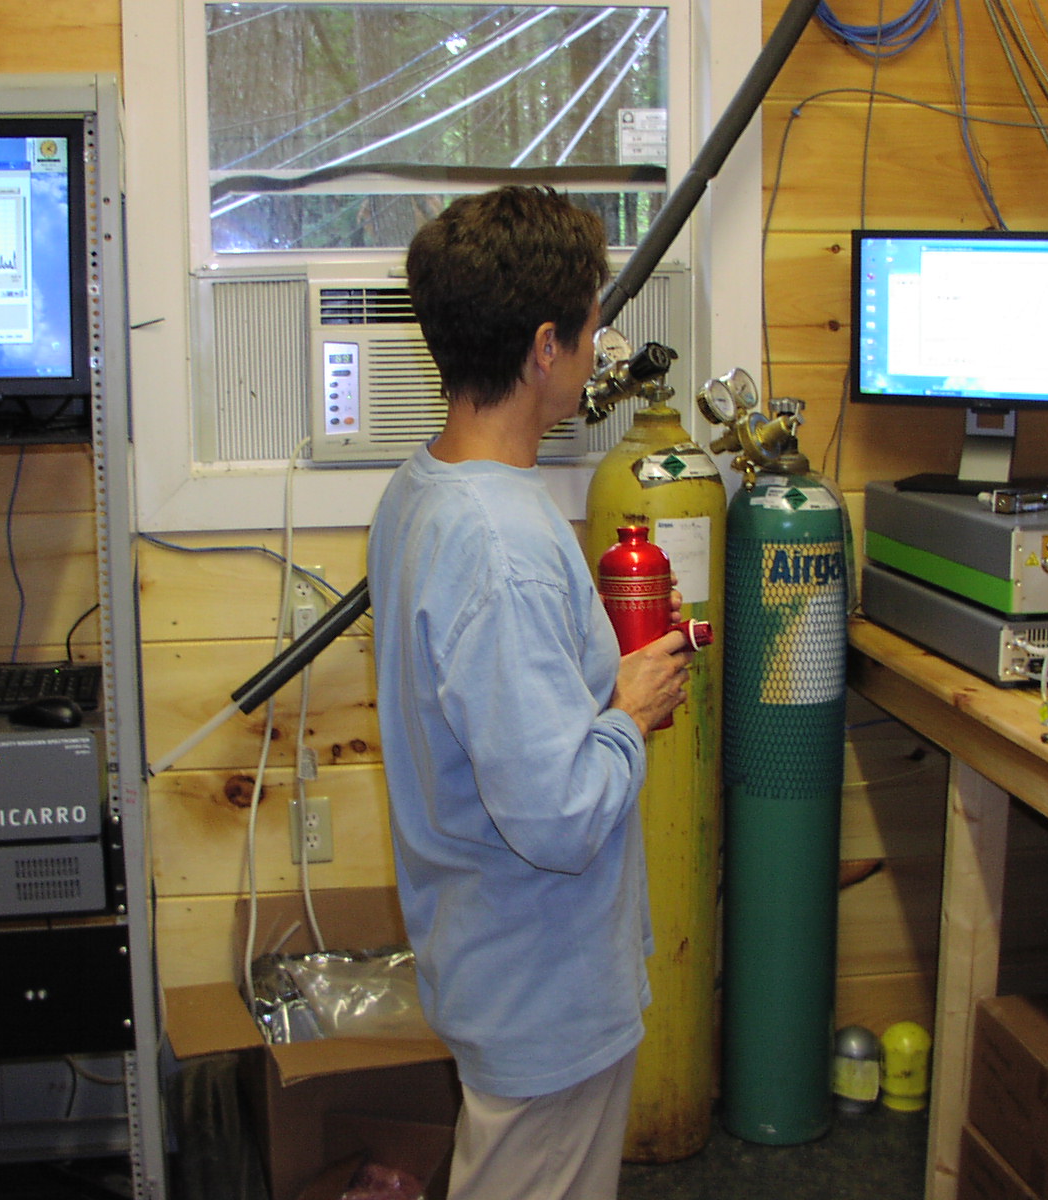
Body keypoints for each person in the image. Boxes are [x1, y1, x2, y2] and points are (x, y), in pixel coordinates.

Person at [365, 186, 691, 1200]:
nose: (600, 348)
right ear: (545, 347)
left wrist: (602, 684)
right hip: (542, 991)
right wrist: (631, 715)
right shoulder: (500, 542)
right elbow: (558, 815)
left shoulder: (422, 490)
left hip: (493, 959)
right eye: (591, 325)